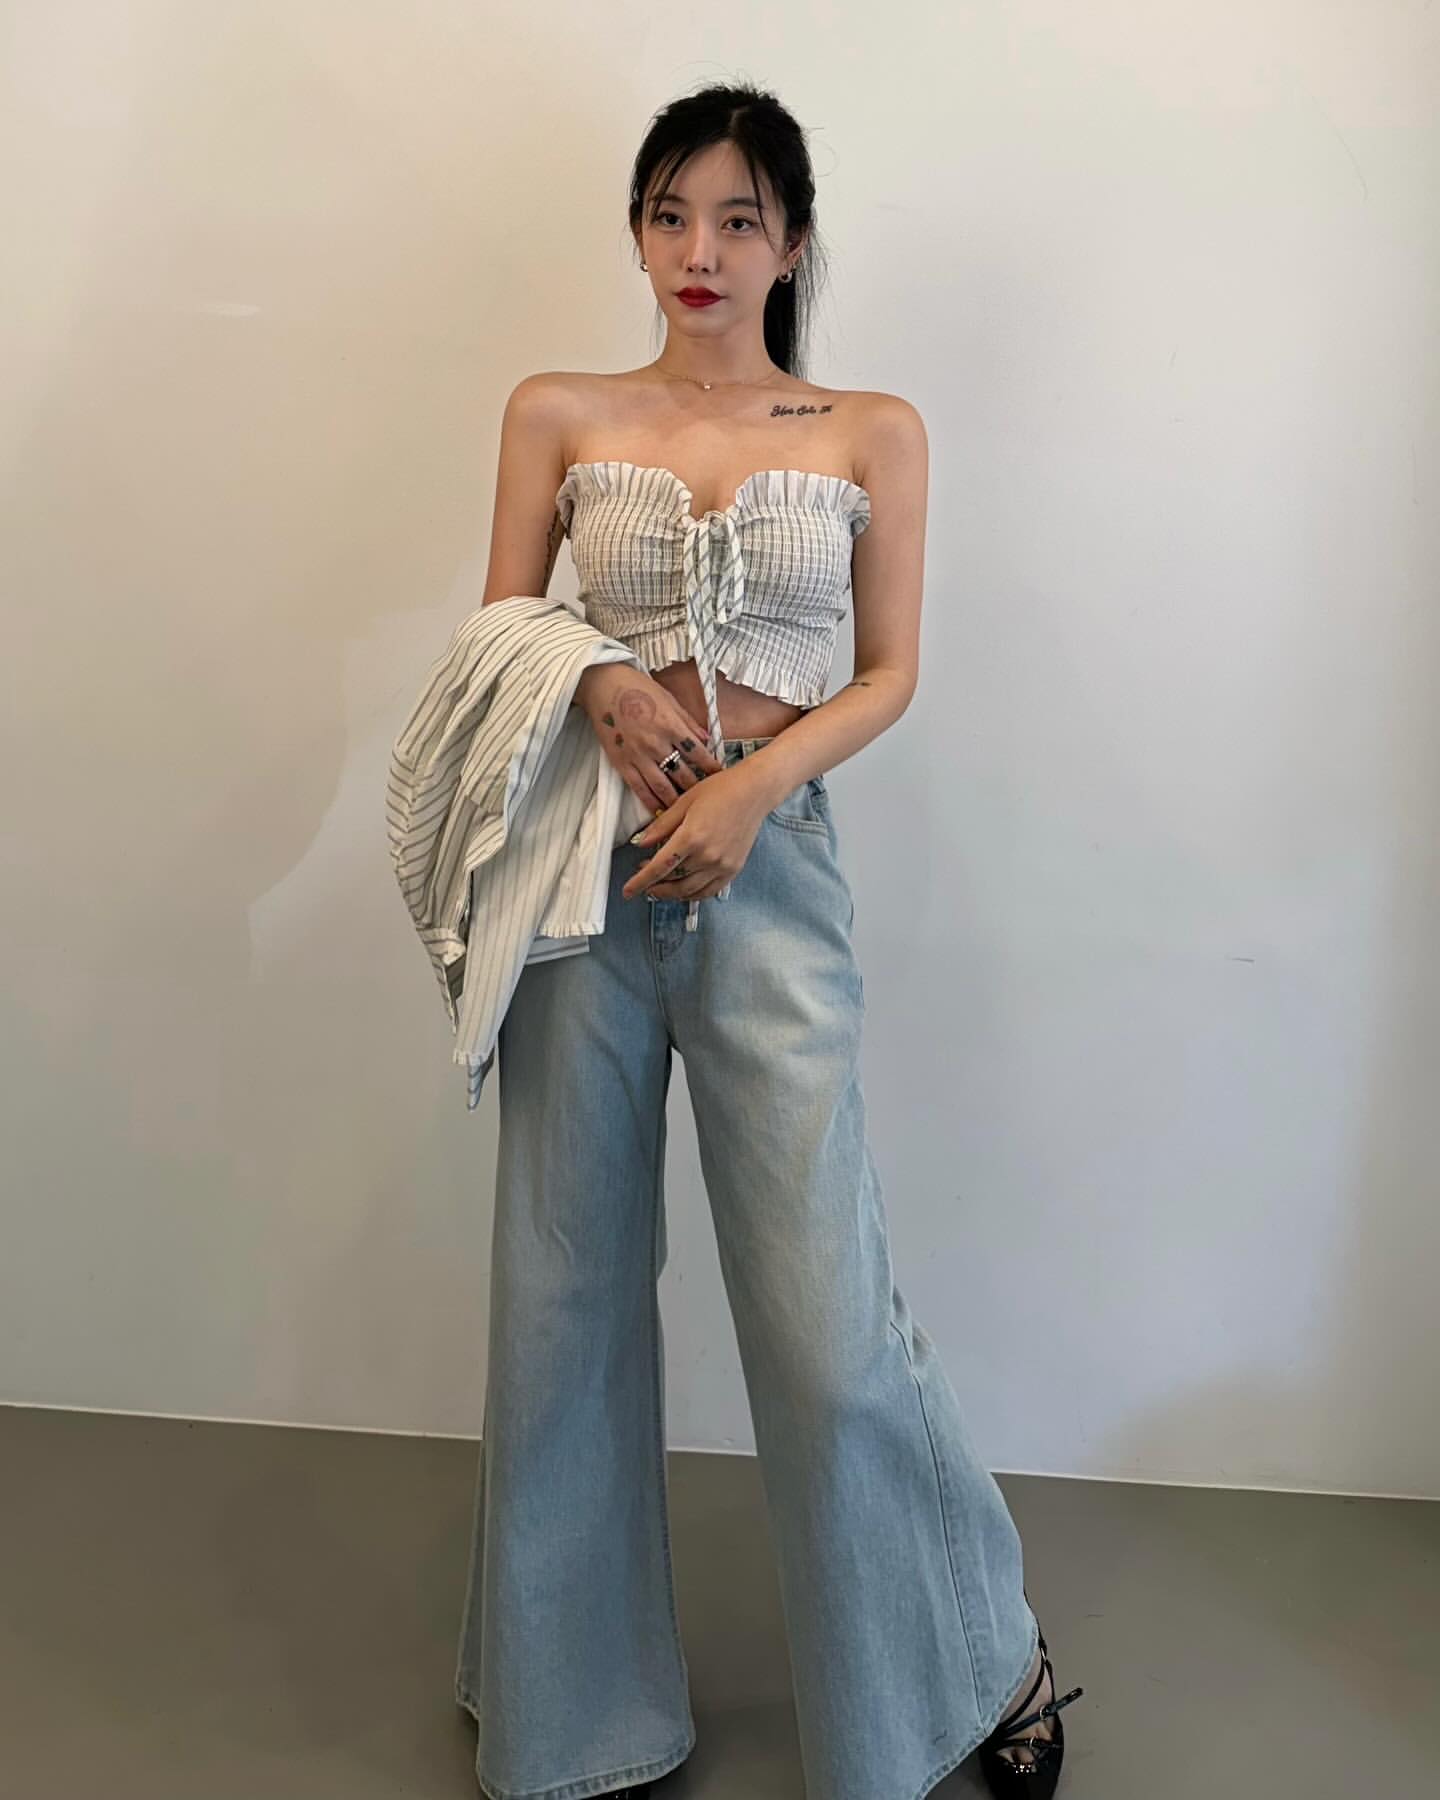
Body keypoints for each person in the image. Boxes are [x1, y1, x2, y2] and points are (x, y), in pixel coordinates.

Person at [452, 78, 1084, 1800]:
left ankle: (980, 1655)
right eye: (671, 214)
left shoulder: (872, 428)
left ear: (792, 241)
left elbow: (889, 672)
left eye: (739, 218)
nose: (701, 250)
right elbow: (502, 623)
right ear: (637, 232)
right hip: (581, 871)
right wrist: (598, 678)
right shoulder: (559, 409)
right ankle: (565, 1716)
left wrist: (752, 789)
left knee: (822, 1315)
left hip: (773, 872)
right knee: (563, 1297)